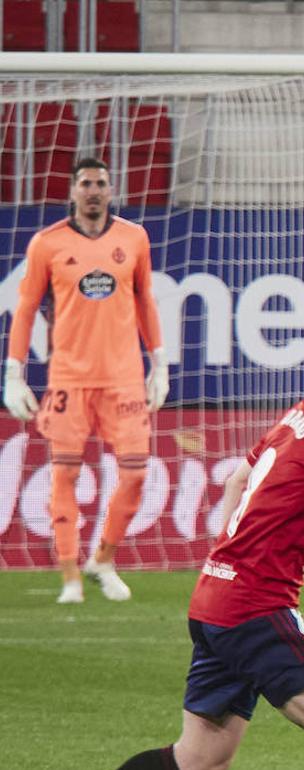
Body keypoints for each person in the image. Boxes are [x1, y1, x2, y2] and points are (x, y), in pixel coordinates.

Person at [116, 312, 304, 770]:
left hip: (214, 599)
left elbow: (238, 481)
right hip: (255, 611)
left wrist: (229, 556)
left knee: (201, 758)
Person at [3, 157, 169, 604]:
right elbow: (25, 309)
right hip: (69, 380)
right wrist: (14, 372)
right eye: (85, 183)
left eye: (100, 183)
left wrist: (160, 363)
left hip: (124, 380)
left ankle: (104, 558)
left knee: (135, 474)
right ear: (73, 192)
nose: (93, 190)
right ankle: (71, 578)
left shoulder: (133, 238)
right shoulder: (48, 244)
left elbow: (146, 302)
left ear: (111, 190)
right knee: (65, 476)